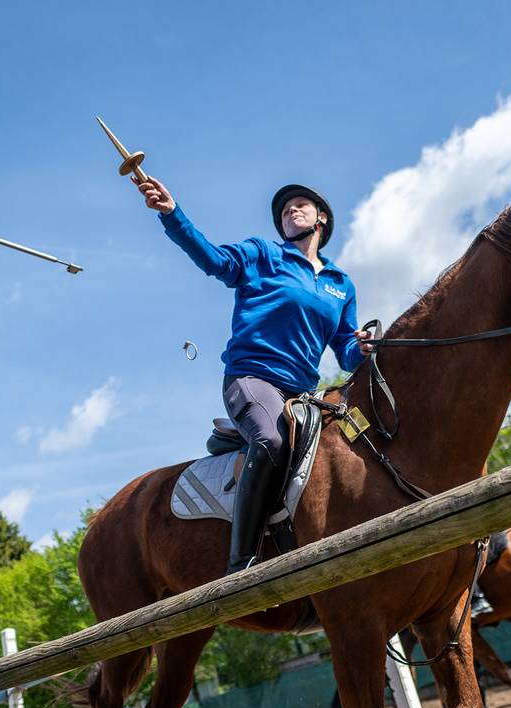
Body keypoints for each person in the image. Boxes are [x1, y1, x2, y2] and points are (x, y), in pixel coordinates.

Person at [135, 175, 374, 573]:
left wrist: (362, 346)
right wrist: (172, 213)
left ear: (322, 219)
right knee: (271, 439)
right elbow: (213, 260)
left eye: (300, 204)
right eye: (284, 210)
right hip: (251, 379)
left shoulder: (341, 285)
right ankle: (241, 564)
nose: (290, 210)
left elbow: (347, 353)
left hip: (302, 395)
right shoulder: (264, 254)